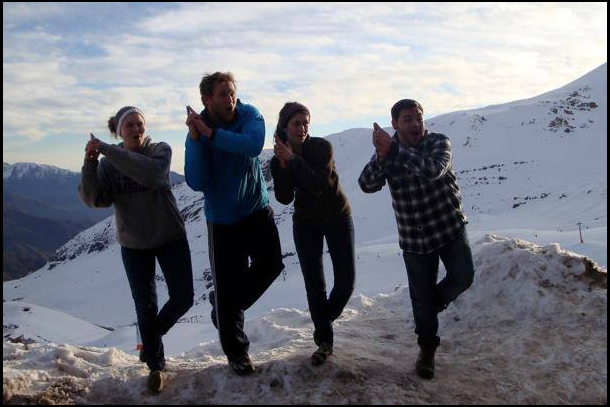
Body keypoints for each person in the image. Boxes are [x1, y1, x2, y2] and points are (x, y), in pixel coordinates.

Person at [79, 106, 194, 394]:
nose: (136, 129)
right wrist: (91, 164)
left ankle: (150, 339)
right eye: (128, 125)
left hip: (170, 237)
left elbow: (153, 176)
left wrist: (108, 150)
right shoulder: (108, 165)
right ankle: (155, 366)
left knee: (184, 298)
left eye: (139, 124)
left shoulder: (160, 151)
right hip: (134, 245)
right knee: (146, 306)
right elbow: (95, 199)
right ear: (119, 131)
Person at [358, 99, 474, 379]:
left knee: (463, 276)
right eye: (407, 119)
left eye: (418, 118)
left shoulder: (438, 143)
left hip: (448, 228)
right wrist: (384, 157)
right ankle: (427, 350)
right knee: (420, 301)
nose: (415, 124)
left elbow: (433, 170)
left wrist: (394, 149)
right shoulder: (387, 153)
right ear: (395, 124)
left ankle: (430, 304)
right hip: (414, 240)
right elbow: (367, 184)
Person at [184, 72, 284, 375]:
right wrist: (196, 140)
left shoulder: (249, 114)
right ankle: (237, 353)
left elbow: (252, 145)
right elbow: (196, 180)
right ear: (206, 100)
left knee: (271, 265)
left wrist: (213, 135)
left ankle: (225, 305)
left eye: (231, 92)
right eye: (222, 94)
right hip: (223, 221)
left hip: (255, 209)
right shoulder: (198, 131)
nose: (230, 99)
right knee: (228, 285)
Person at [270, 102, 355, 366]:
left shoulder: (321, 148)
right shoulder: (277, 160)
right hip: (306, 222)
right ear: (285, 127)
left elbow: (320, 185)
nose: (303, 127)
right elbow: (284, 198)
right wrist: (284, 167)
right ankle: (325, 342)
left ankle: (322, 324)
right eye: (296, 123)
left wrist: (294, 161)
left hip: (337, 216)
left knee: (345, 281)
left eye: (306, 122)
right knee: (314, 283)